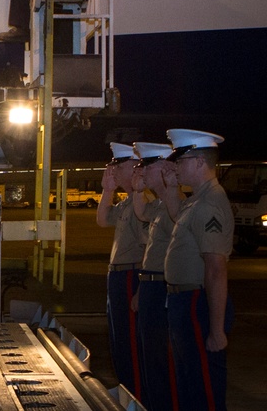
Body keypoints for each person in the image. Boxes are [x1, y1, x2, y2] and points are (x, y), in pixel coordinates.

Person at [164, 129, 233, 410]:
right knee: (189, 383)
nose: (176, 167)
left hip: (197, 304)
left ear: (199, 163)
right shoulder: (195, 200)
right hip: (184, 303)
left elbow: (216, 269)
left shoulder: (210, 202)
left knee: (203, 386)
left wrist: (216, 330)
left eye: (181, 161)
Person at [131, 142, 182, 411]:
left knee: (161, 358)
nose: (142, 173)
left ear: (161, 169)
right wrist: (139, 191)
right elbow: (141, 212)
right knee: (149, 356)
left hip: (163, 286)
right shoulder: (161, 206)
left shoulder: (176, 206)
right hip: (149, 285)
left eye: (146, 168)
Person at [97, 142, 146, 399]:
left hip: (131, 277)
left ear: (133, 166)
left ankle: (135, 397)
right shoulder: (128, 201)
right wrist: (107, 191)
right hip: (118, 277)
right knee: (118, 345)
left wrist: (142, 289)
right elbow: (103, 219)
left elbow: (148, 248)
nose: (112, 169)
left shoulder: (143, 199)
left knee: (130, 346)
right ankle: (128, 395)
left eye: (117, 165)